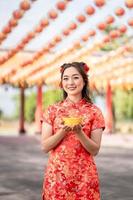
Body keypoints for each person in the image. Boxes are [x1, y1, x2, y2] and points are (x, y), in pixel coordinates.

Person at [41, 62, 105, 200]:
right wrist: (62, 132)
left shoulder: (94, 112)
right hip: (57, 177)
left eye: (75, 77)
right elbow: (45, 146)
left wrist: (79, 133)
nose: (70, 82)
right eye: (66, 78)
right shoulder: (52, 110)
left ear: (84, 80)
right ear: (61, 83)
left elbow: (94, 150)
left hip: (85, 177)